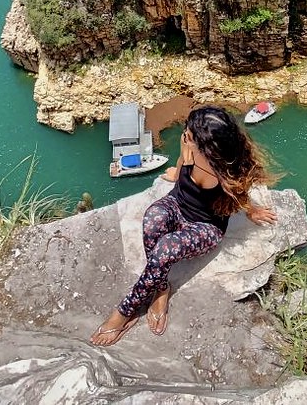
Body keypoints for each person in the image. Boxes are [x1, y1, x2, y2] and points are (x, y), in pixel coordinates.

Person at [90, 105, 279, 346]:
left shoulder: (228, 172)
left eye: (189, 137)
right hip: (177, 203)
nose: (184, 138)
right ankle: (160, 288)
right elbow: (182, 162)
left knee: (166, 248)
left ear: (207, 150)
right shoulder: (188, 145)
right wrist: (176, 173)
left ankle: (125, 313)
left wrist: (252, 211)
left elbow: (240, 194)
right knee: (152, 217)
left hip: (205, 226)